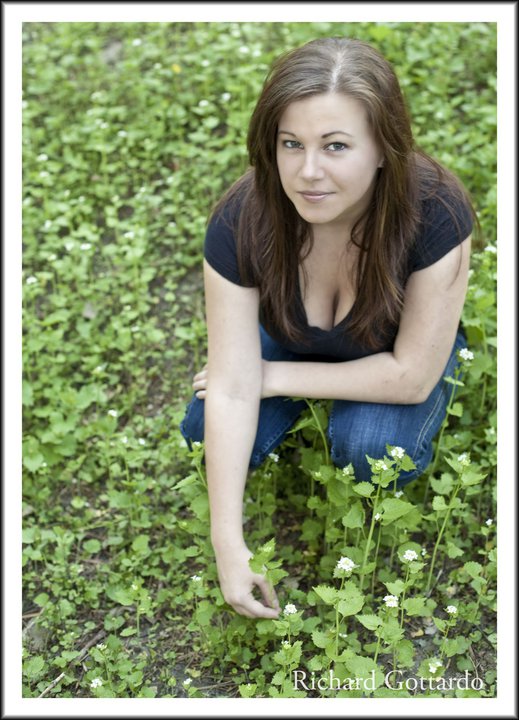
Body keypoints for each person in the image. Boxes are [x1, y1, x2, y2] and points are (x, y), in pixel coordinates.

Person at [180, 37, 476, 620]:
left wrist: (268, 376)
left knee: (369, 450)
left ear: (383, 149)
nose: (308, 172)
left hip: (396, 351)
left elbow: (411, 377)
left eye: (336, 146)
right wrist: (228, 545)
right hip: (290, 335)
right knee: (202, 428)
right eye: (291, 144)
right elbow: (233, 388)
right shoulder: (242, 220)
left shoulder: (435, 212)